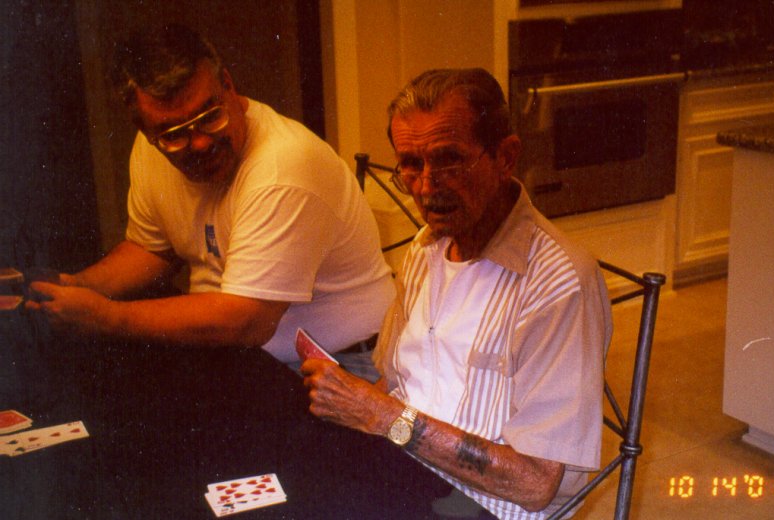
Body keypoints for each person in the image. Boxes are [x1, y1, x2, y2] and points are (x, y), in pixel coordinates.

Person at [301, 68, 612, 519]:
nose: (426, 187)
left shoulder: (559, 283)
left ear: (506, 157)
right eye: (410, 164)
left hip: (485, 507)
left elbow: (537, 483)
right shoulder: (425, 247)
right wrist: (359, 405)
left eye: (449, 160)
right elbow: (393, 382)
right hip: (405, 475)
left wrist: (384, 417)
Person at [25, 24, 394, 367]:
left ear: (229, 85)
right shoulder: (149, 148)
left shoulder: (284, 167)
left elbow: (248, 320)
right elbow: (152, 250)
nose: (199, 142)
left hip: (343, 365)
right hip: (242, 354)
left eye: (209, 116)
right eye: (173, 134)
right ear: (144, 128)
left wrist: (102, 316)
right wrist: (80, 288)